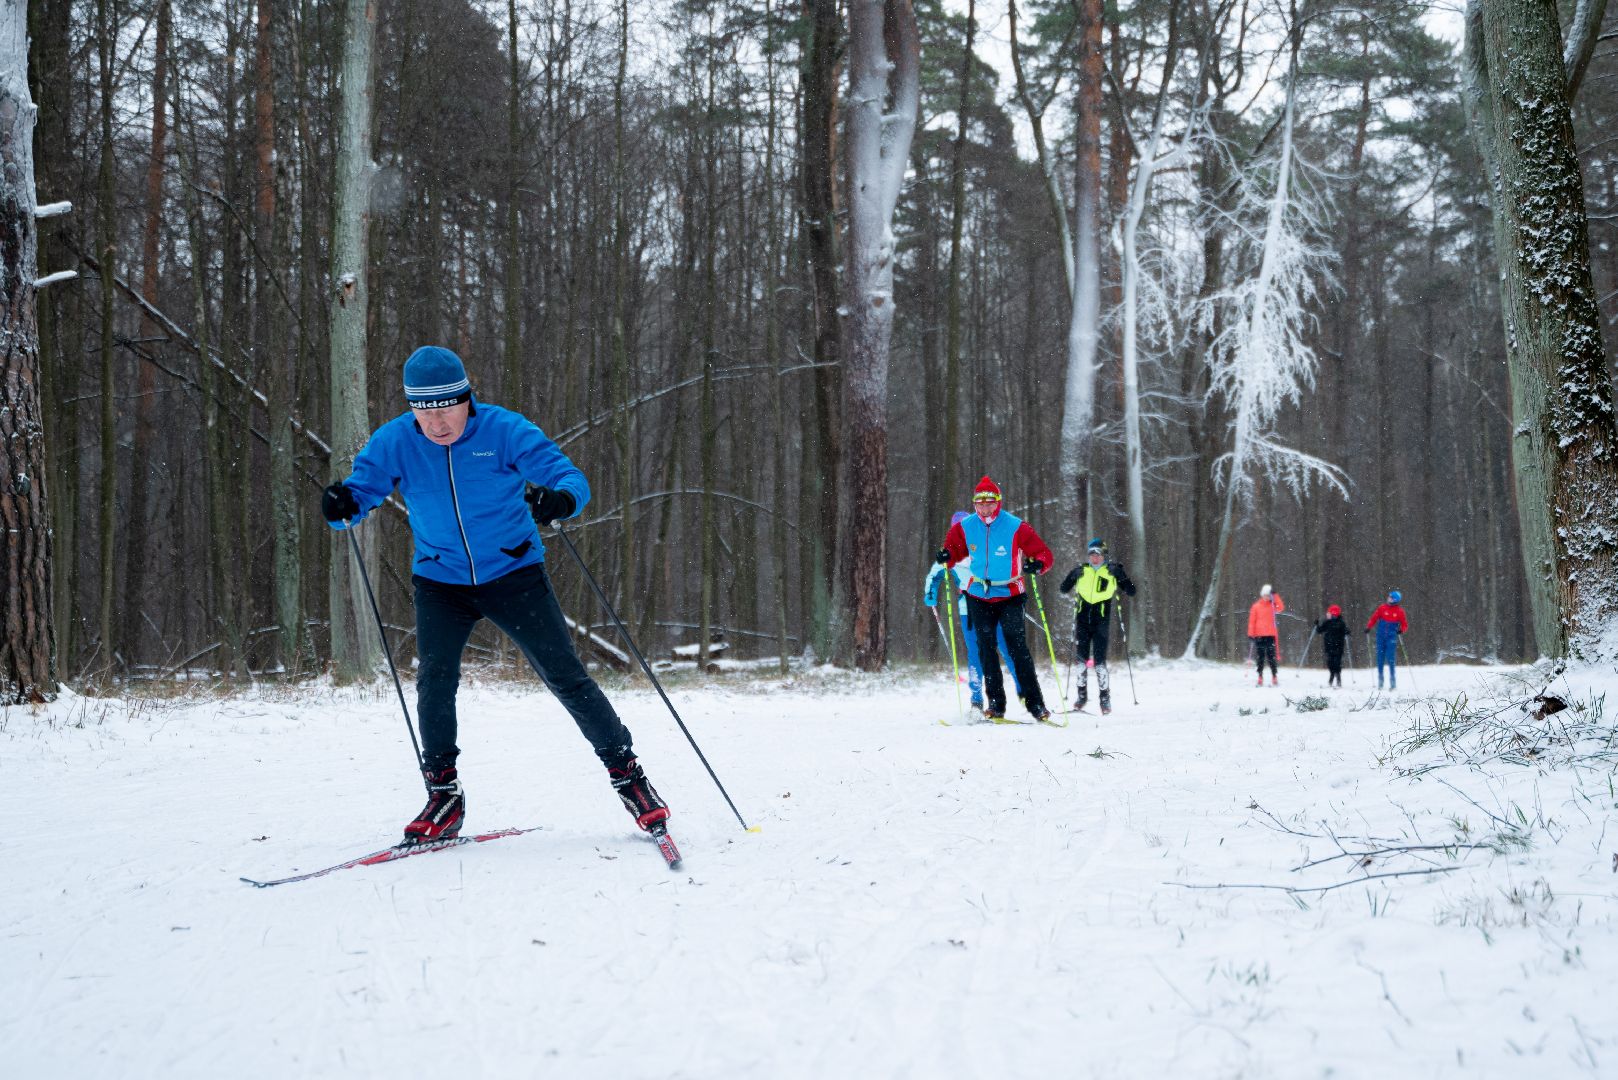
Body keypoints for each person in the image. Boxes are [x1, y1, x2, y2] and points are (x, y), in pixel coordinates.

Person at [321, 345, 669, 844]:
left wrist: (562, 499)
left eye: (445, 409)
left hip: (513, 575)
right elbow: (362, 492)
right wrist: (343, 503)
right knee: (434, 681)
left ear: (466, 399)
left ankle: (629, 777)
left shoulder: (505, 430)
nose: (436, 423)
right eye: (424, 411)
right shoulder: (396, 440)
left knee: (565, 677)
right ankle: (444, 795)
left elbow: (570, 478)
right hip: (440, 581)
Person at [934, 476, 1054, 722]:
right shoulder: (966, 526)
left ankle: (1036, 704)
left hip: (1010, 593)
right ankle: (996, 705)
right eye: (980, 504)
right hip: (979, 595)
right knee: (985, 649)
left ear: (998, 503)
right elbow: (954, 549)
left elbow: (1043, 553)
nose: (985, 509)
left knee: (1016, 646)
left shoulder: (1015, 526)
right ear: (974, 504)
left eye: (989, 503)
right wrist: (948, 555)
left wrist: (1037, 564)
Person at [924, 511, 1023, 713]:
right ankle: (977, 700)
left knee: (1008, 649)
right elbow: (934, 576)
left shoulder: (986, 547)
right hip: (968, 610)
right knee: (976, 655)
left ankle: (1026, 694)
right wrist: (931, 594)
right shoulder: (950, 555)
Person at [1058, 538, 1136, 714]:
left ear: (1104, 556)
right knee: (1081, 662)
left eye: (1098, 554)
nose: (1094, 558)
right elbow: (1063, 589)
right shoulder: (1081, 571)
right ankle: (1081, 696)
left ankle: (1104, 698)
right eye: (1092, 554)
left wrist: (1121, 575)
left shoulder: (1111, 571)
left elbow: (1131, 591)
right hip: (1082, 620)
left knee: (1099, 662)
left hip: (1101, 620)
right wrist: (1072, 576)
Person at [1365, 589, 1409, 690]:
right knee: (1380, 658)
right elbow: (1374, 618)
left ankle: (1392, 680)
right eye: (1389, 597)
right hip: (1380, 637)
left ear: (1395, 600)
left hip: (1391, 637)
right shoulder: (1382, 608)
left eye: (1391, 597)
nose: (1388, 598)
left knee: (1390, 659)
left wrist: (1401, 630)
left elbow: (1404, 624)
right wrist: (1369, 627)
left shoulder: (1399, 611)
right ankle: (1380, 679)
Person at [1248, 584, 1284, 687]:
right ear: (1262, 595)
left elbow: (1281, 607)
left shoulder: (1273, 605)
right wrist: (1251, 634)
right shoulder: (1256, 606)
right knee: (1260, 657)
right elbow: (1252, 621)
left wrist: (1275, 595)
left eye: (1268, 595)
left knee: (1271, 657)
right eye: (1265, 595)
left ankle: (1274, 675)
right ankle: (1260, 676)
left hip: (1270, 635)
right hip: (1259, 636)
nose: (1266, 597)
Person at [1315, 604, 1348, 688]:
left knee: (1337, 663)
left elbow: (1346, 631)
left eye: (1329, 613)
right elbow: (1319, 630)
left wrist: (1347, 632)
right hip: (1329, 647)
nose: (1327, 614)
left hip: (1338, 647)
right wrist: (1317, 625)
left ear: (1334, 614)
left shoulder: (1341, 623)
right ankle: (1332, 675)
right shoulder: (1327, 623)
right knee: (1330, 663)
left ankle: (1338, 678)